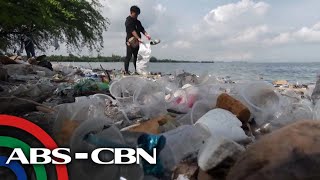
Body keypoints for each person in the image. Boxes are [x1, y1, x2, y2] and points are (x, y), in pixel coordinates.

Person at [124, 5, 151, 75]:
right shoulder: (128, 21)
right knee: (129, 56)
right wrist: (138, 38)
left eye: (137, 15)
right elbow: (132, 31)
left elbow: (142, 29)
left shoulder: (138, 22)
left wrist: (147, 35)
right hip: (130, 41)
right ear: (131, 12)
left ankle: (137, 71)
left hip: (137, 42)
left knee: (137, 56)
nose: (136, 16)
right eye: (135, 14)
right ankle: (126, 71)